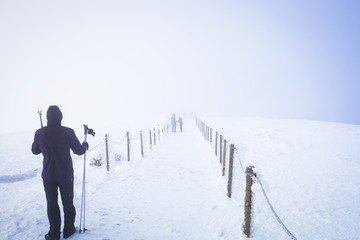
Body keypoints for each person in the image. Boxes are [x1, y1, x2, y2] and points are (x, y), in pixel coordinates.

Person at [31, 105, 88, 240]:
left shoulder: (40, 132)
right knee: (68, 203)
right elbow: (79, 151)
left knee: (52, 204)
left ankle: (54, 233)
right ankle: (68, 230)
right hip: (65, 175)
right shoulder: (68, 132)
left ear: (47, 118)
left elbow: (35, 151)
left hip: (48, 175)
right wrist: (85, 146)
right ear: (61, 117)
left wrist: (38, 139)